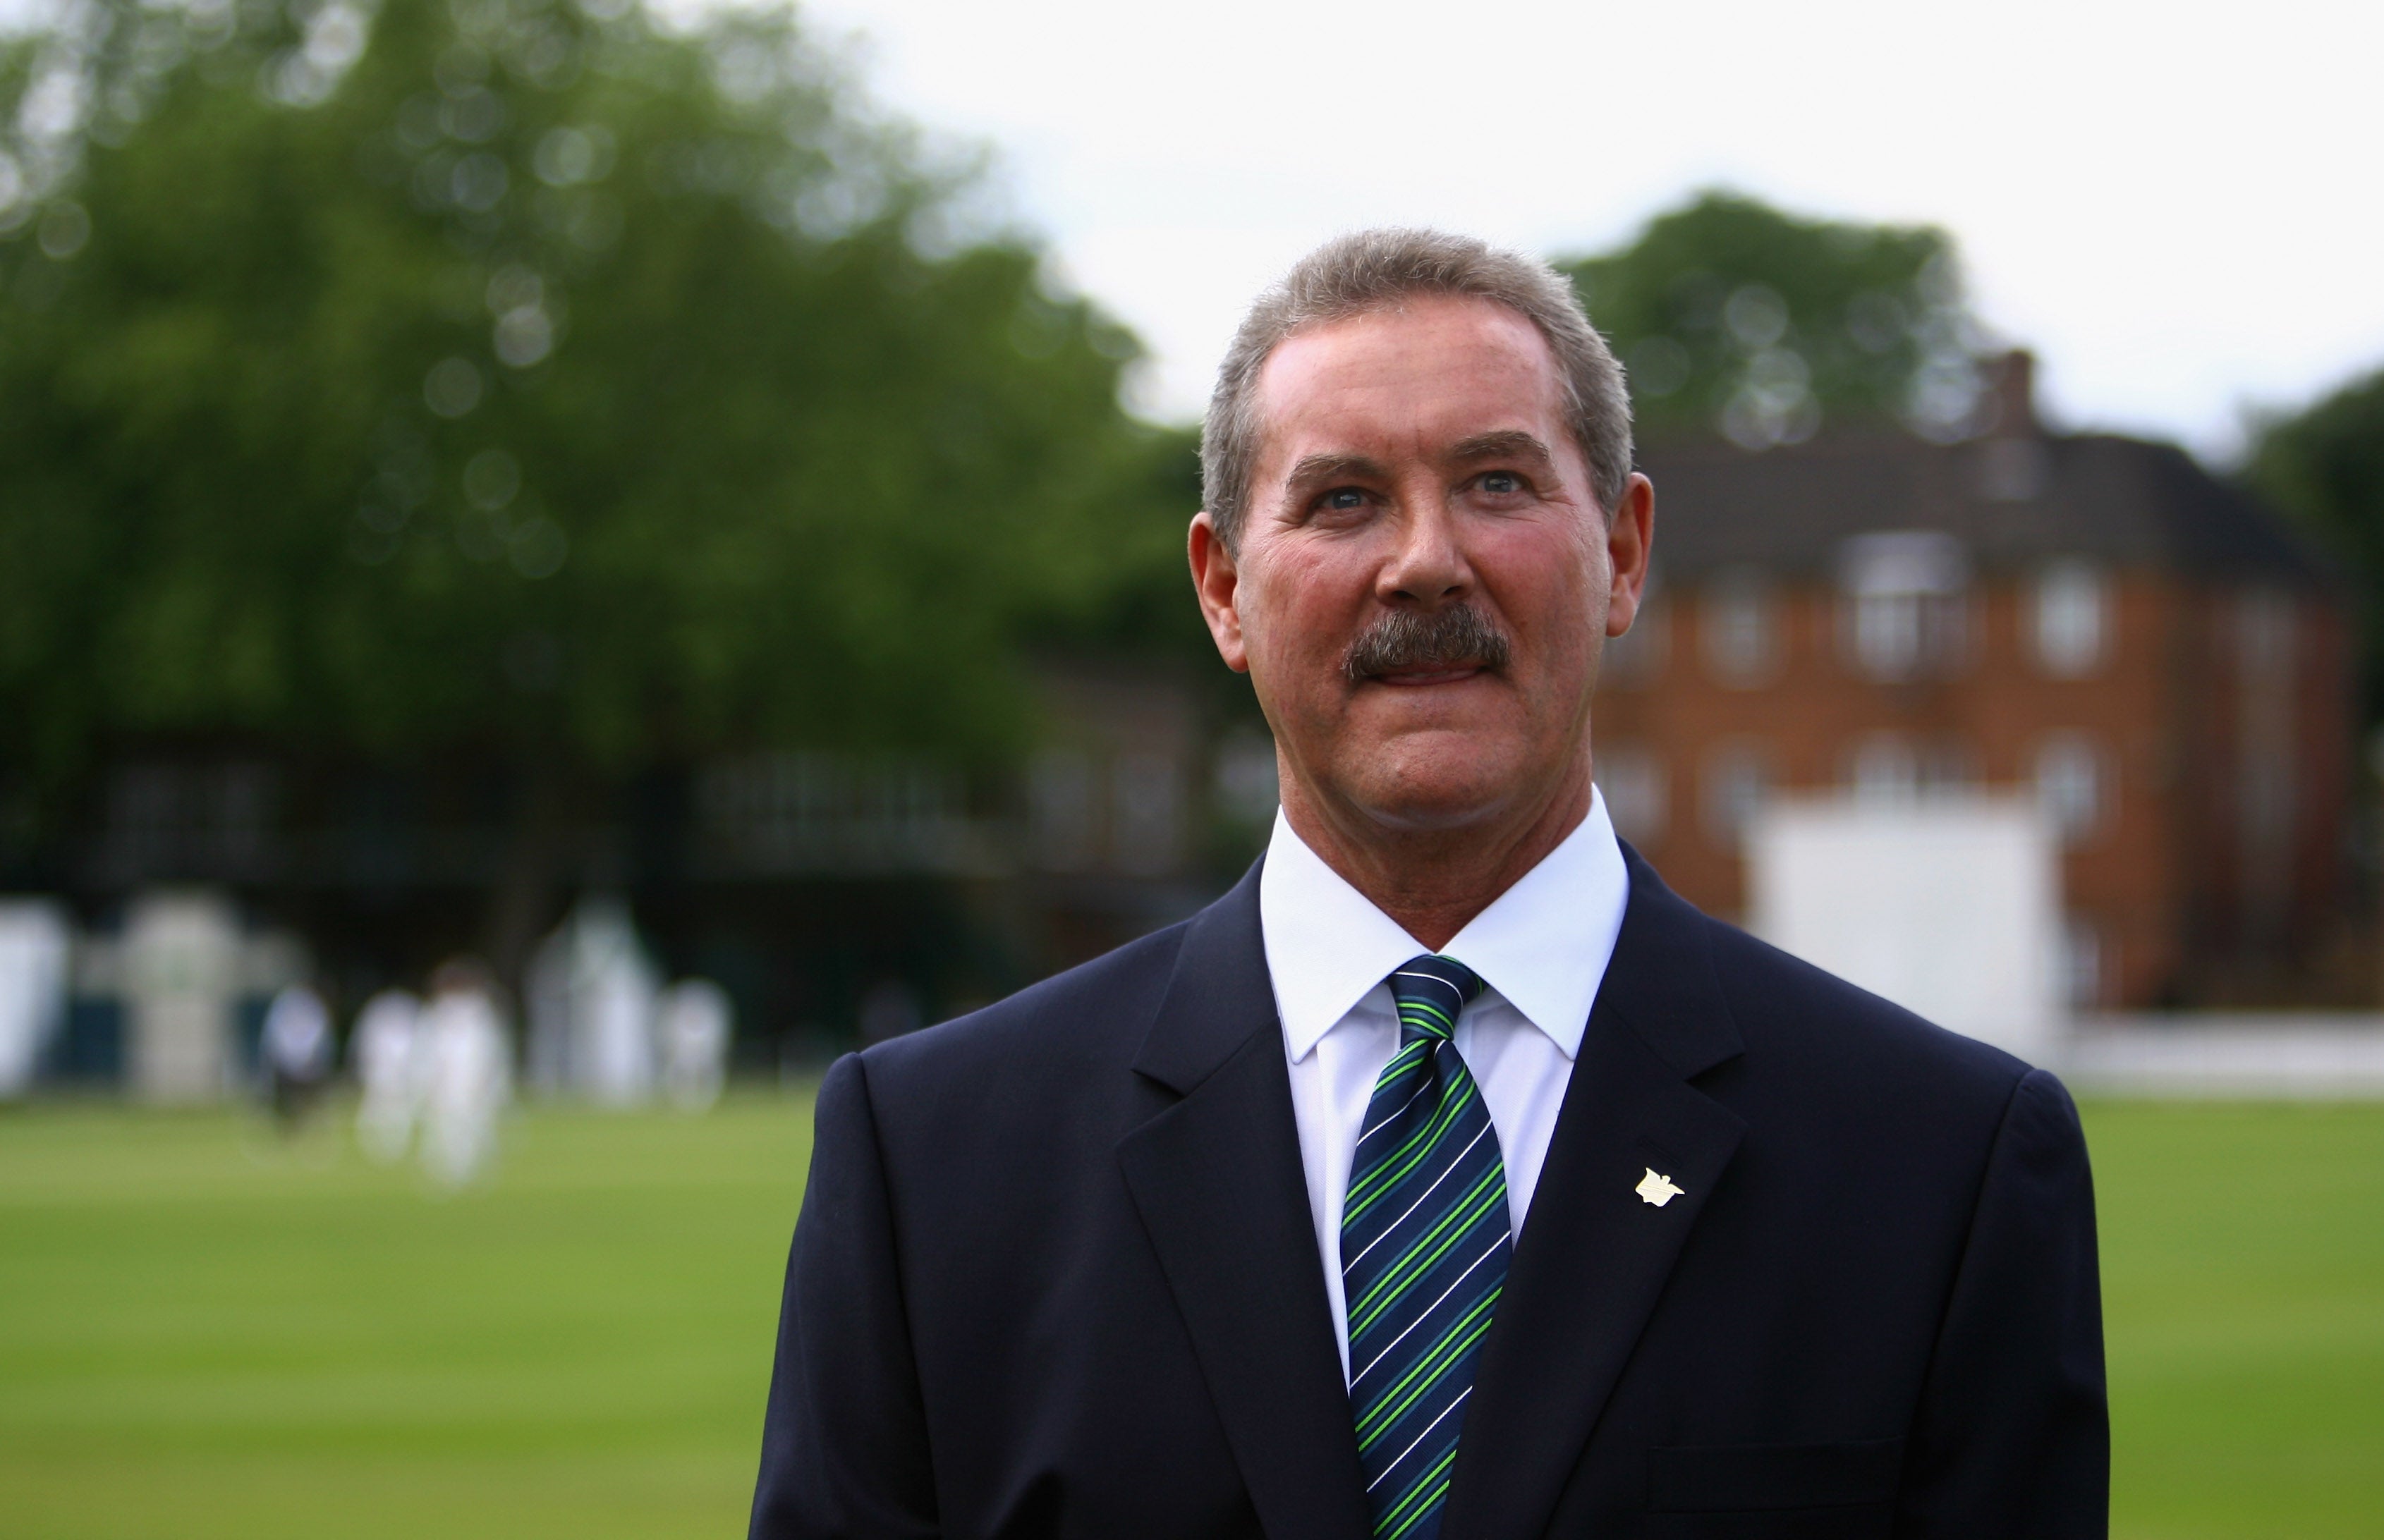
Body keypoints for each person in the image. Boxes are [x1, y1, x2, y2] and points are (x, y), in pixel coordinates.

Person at [750, 231, 2106, 1539]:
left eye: (1498, 482)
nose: (1425, 560)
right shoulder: (930, 1164)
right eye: (1342, 498)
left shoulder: (1943, 1165)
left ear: (1624, 552)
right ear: (1224, 588)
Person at [418, 958, 511, 1187]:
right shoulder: (443, 1012)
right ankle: (449, 1168)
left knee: (471, 1123)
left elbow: (487, 1049)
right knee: (446, 1124)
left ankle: (469, 1168)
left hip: (469, 1076)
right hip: (451, 1077)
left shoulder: (476, 1011)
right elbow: (430, 1049)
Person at [352, 986, 424, 1163]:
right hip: (381, 1073)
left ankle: (395, 1144)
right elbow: (367, 1048)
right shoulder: (379, 1023)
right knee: (377, 1106)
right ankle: (373, 1142)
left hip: (400, 1074)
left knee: (399, 1109)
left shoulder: (408, 1027)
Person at [258, 978, 332, 1135]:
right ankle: (289, 1125)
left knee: (309, 1099)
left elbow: (319, 1032)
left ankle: (308, 1125)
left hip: (305, 1060)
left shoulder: (308, 1004)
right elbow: (275, 1031)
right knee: (285, 1100)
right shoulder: (288, 1003)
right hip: (289, 1059)